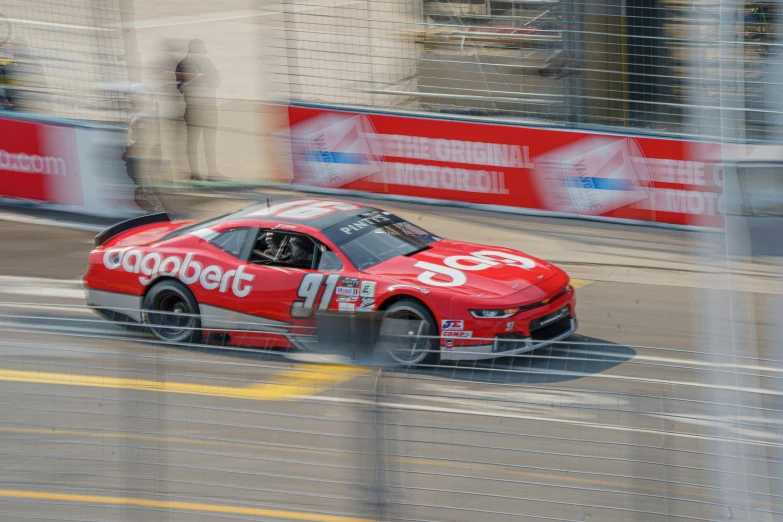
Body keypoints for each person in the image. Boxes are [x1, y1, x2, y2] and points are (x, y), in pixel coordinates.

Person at [176, 39, 221, 181]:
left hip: (210, 106)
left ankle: (212, 171)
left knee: (210, 141)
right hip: (194, 108)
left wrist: (210, 80)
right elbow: (181, 88)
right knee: (193, 142)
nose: (202, 55)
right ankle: (194, 173)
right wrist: (196, 79)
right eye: (199, 52)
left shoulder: (207, 62)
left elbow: (217, 81)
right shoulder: (183, 65)